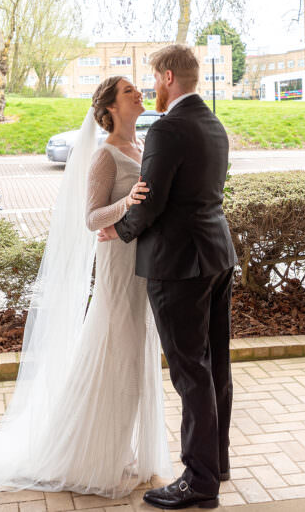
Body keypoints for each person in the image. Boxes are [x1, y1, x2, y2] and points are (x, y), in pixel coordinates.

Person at [0, 76, 170, 509]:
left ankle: (123, 449)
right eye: (129, 91)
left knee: (136, 356)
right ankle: (93, 457)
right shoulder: (103, 156)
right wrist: (126, 205)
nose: (139, 93)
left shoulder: (141, 148)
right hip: (116, 272)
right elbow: (91, 218)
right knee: (114, 354)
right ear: (109, 107)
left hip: (142, 269)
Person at [100, 44, 237, 510]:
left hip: (178, 265)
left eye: (155, 77)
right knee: (215, 363)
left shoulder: (168, 129)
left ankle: (199, 481)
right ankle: (215, 462)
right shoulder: (213, 125)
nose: (152, 86)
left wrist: (117, 230)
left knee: (189, 370)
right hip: (218, 255)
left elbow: (150, 201)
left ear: (167, 77)